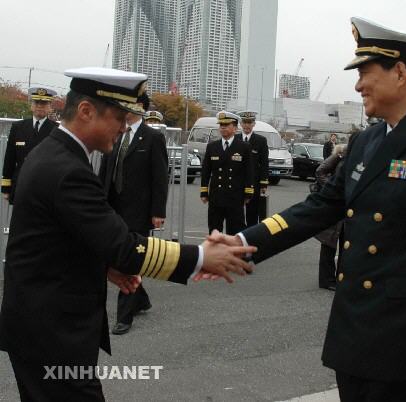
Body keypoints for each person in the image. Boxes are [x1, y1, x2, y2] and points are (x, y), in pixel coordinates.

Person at [205, 17, 406, 401]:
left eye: (365, 73)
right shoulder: (368, 140)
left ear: (399, 72)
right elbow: (318, 207)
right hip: (355, 325)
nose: (358, 85)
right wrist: (243, 241)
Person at [0, 67, 255, 402]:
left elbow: (58, 240)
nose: (123, 128)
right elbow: (125, 248)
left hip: (39, 325)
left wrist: (104, 266)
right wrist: (204, 257)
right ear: (86, 111)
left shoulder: (54, 154)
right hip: (53, 333)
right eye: (120, 117)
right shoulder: (67, 170)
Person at [99, 93, 169, 335]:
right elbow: (105, 171)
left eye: (126, 104)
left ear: (139, 108)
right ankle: (140, 298)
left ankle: (124, 315)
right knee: (117, 256)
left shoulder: (153, 137)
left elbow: (160, 178)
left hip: (138, 211)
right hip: (113, 208)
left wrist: (158, 212)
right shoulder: (117, 132)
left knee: (130, 259)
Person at [200, 111, 254, 235]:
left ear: (235, 128)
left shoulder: (243, 147)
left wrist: (248, 192)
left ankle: (234, 254)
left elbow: (249, 171)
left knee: (235, 230)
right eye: (221, 125)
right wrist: (204, 191)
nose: (223, 127)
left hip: (235, 196)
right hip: (216, 196)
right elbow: (206, 171)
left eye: (226, 124)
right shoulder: (212, 147)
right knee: (214, 229)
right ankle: (214, 253)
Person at [1, 87, 58, 204]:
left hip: (45, 187)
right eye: (36, 102)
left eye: (44, 103)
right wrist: (6, 187)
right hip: (21, 185)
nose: (39, 106)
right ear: (31, 105)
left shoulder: (56, 130)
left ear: (50, 107)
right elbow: (9, 159)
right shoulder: (18, 127)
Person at [315, 144, 347, 291]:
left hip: (349, 206)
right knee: (329, 243)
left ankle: (341, 278)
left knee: (346, 245)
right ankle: (326, 280)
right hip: (334, 205)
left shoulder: (361, 155)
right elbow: (320, 170)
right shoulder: (340, 154)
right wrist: (331, 188)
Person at [235, 111, 269, 226]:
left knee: (252, 213)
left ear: (254, 124)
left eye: (249, 122)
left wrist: (263, 183)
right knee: (236, 213)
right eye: (244, 122)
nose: (247, 125)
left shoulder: (261, 141)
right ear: (240, 123)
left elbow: (264, 163)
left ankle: (250, 239)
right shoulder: (235, 139)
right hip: (237, 182)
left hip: (254, 182)